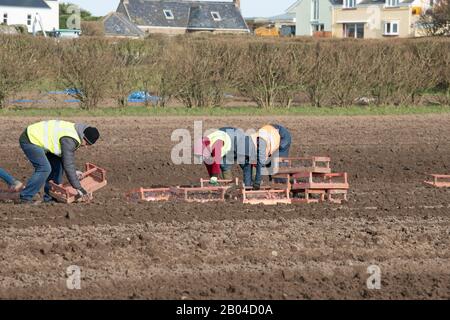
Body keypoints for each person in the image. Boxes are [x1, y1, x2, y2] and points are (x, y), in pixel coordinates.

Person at [18, 120, 100, 204]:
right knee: (44, 168)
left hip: (42, 140)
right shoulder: (70, 139)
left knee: (58, 166)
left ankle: (50, 197)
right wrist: (79, 188)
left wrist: (74, 172)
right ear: (83, 137)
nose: (85, 146)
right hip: (30, 139)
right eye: (86, 143)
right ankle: (25, 197)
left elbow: (66, 159)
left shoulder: (77, 132)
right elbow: (68, 164)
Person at [246, 124, 292, 190]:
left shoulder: (260, 145)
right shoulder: (252, 141)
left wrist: (257, 182)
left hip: (283, 137)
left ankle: (282, 187)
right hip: (271, 133)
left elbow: (260, 162)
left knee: (278, 164)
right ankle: (272, 182)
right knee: (268, 163)